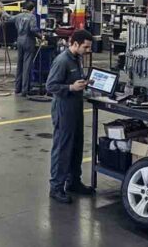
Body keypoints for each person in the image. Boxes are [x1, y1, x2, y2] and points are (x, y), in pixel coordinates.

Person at [46, 29, 95, 204]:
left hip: (76, 108)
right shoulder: (62, 61)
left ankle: (73, 182)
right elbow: (50, 86)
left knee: (76, 146)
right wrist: (71, 88)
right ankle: (56, 187)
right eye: (86, 47)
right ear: (75, 44)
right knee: (62, 148)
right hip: (64, 109)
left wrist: (84, 85)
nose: (88, 50)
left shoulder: (77, 59)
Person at [11, 1, 42, 97]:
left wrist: (2, 10)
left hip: (19, 40)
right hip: (28, 41)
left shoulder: (18, 16)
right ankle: (25, 90)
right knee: (27, 66)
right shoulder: (32, 17)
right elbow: (33, 29)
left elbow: (8, 18)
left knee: (19, 65)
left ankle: (17, 88)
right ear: (32, 9)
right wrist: (41, 36)